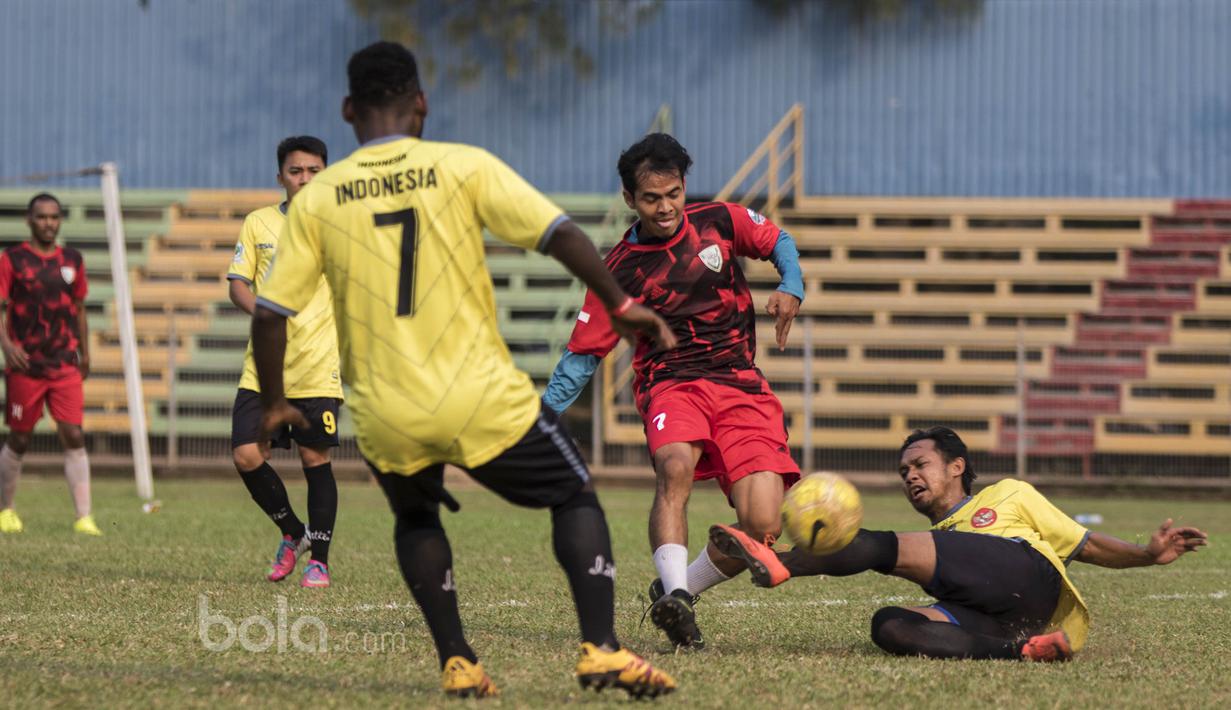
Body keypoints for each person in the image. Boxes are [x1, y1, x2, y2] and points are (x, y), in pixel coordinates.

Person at [250, 41, 678, 699]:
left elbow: (270, 313)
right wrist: (619, 301)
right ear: (420, 103)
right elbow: (558, 232)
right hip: (477, 395)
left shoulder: (317, 198)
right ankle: (601, 649)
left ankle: (458, 661)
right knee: (572, 494)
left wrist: (275, 400)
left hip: (387, 411)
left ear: (346, 109)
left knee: (417, 520)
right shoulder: (460, 165)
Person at [542, 133, 806, 649]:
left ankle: (678, 589)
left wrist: (791, 284)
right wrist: (541, 417)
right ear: (629, 200)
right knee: (675, 468)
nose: (665, 208)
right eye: (650, 198)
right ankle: (678, 599)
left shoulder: (722, 221)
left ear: (685, 187)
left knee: (762, 523)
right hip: (672, 383)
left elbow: (779, 242)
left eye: (673, 194)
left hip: (741, 384)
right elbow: (581, 359)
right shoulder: (617, 270)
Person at [710, 426, 1209, 661]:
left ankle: (778, 564)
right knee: (891, 626)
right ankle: (1022, 654)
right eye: (903, 471)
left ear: (956, 467)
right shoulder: (939, 543)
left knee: (883, 547)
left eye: (919, 465)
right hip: (1004, 620)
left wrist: (1147, 554)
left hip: (1027, 577)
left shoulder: (1006, 494)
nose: (910, 476)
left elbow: (1085, 546)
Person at [227, 136, 342, 589]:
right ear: (281, 177)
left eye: (314, 170)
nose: (305, 178)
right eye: (296, 171)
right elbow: (238, 284)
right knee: (246, 454)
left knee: (315, 459)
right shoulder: (258, 223)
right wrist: (265, 315)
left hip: (317, 367)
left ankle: (321, 560)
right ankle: (293, 532)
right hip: (264, 367)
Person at [0, 194, 99, 536]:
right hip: (25, 364)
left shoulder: (72, 259)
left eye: (54, 217)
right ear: (29, 219)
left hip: (64, 363)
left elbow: (81, 308)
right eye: (41, 217)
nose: (48, 223)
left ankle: (84, 517)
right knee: (20, 437)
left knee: (73, 434)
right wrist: (7, 345)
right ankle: (6, 510)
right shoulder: (12, 259)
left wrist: (86, 353)